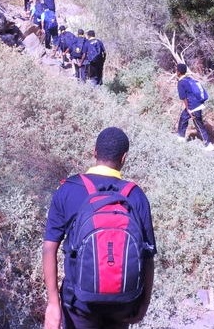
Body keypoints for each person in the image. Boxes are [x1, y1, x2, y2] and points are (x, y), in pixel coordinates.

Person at [43, 127, 157, 329]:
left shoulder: (68, 190)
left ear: (94, 152)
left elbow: (49, 248)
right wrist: (144, 303)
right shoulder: (136, 195)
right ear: (124, 158)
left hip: (79, 303)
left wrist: (53, 304)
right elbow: (147, 258)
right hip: (123, 302)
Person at [175, 63, 214, 151]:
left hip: (193, 107)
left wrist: (188, 109)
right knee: (183, 118)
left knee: (199, 125)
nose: (176, 71)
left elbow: (183, 98)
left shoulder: (181, 82)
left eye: (176, 70)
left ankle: (208, 145)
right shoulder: (189, 79)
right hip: (197, 104)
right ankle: (181, 138)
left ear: (179, 72)